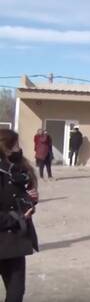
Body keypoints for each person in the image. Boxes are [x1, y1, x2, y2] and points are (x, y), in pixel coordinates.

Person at [0, 129, 39, 302]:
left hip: (14, 242)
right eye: (15, 144)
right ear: (6, 148)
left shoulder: (20, 169)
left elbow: (23, 196)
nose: (19, 148)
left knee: (16, 292)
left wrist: (30, 201)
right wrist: (17, 217)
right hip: (6, 232)